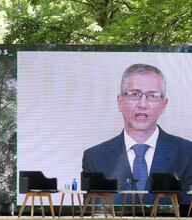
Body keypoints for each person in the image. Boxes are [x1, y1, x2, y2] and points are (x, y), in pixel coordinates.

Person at [82, 63, 192, 206]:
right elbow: (93, 213)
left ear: (163, 104)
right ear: (120, 102)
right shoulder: (95, 157)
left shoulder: (187, 153)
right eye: (134, 94)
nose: (143, 104)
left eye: (152, 95)